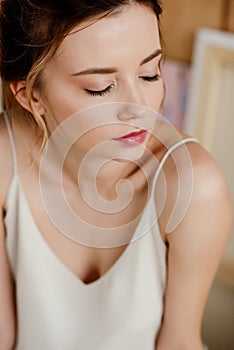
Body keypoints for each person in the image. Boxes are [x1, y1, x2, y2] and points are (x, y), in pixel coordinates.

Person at [0, 1, 232, 349]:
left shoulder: (193, 186)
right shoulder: (6, 161)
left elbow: (180, 341)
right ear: (32, 95)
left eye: (151, 73)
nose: (140, 107)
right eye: (100, 87)